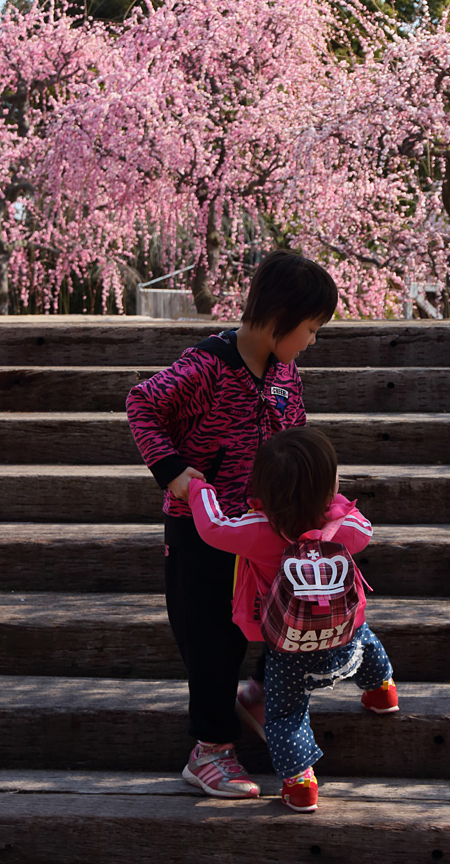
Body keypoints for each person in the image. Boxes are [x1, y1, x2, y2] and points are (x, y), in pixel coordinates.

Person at [126, 249, 338, 799]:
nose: (312, 340)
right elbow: (142, 404)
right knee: (211, 638)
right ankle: (210, 749)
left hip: (268, 529)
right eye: (311, 328)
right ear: (279, 318)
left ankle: (260, 695)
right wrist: (172, 471)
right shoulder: (207, 366)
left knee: (289, 615)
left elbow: (294, 436)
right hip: (203, 530)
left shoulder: (286, 371)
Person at [187, 426, 399, 812]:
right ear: (329, 486)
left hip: (290, 650)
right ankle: (381, 691)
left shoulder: (257, 531)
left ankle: (301, 783)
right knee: (365, 636)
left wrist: (200, 490)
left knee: (285, 715)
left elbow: (213, 527)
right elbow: (366, 529)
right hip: (344, 636)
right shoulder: (345, 529)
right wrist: (333, 506)